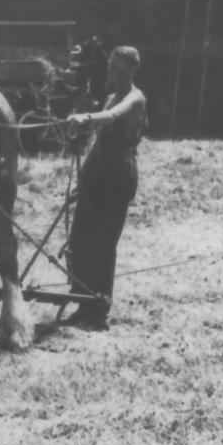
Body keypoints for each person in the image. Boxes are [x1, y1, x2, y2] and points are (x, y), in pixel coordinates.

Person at [60, 46, 148, 330]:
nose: (110, 71)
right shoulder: (111, 96)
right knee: (81, 240)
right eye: (110, 65)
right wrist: (83, 179)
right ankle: (83, 302)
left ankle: (98, 310)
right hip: (98, 175)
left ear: (132, 69)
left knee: (103, 244)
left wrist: (85, 118)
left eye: (116, 67)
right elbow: (99, 141)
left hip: (118, 177)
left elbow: (111, 118)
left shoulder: (135, 99)